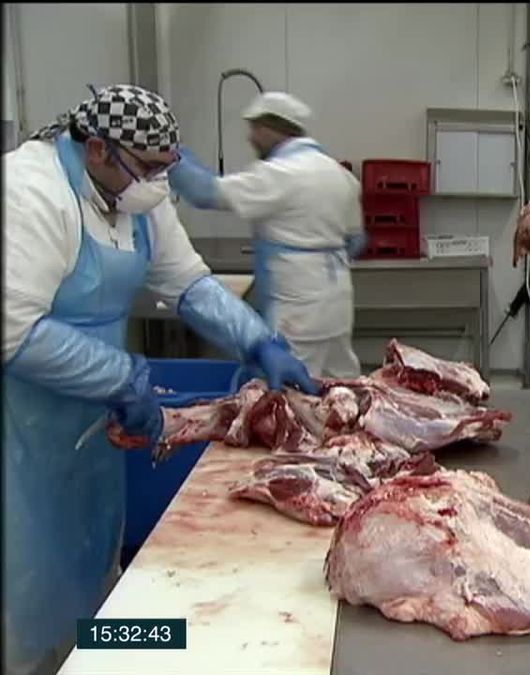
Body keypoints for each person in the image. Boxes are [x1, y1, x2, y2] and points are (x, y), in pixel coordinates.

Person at [2, 84, 319, 675]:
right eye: (149, 168)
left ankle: (102, 662)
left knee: (97, 577)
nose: (160, 183)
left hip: (92, 425)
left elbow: (188, 282)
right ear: (97, 149)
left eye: (166, 169)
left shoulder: (137, 193)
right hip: (20, 430)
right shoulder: (29, 190)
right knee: (26, 585)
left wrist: (259, 341)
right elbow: (12, 329)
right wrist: (122, 377)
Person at [168, 91, 366, 378]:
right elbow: (356, 241)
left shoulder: (280, 174)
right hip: (337, 304)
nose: (251, 138)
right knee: (342, 387)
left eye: (255, 130)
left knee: (289, 396)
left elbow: (205, 193)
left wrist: (171, 156)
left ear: (271, 129)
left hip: (298, 310)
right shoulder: (339, 174)